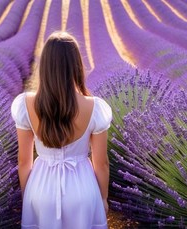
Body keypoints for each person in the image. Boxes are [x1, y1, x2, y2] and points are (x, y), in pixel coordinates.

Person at [11, 31, 112, 229]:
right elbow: (102, 165)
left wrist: (29, 195)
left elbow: (23, 162)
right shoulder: (95, 107)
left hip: (41, 189)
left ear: (45, 65)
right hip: (83, 189)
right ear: (76, 65)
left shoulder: (26, 104)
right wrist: (103, 199)